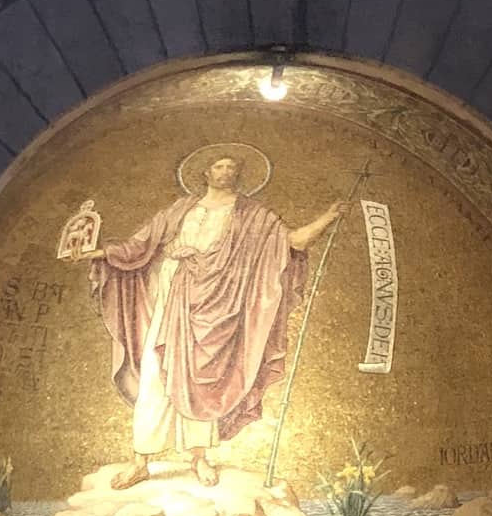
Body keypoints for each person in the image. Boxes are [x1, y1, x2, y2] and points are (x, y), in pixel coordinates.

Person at [67, 146, 343, 488]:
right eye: (219, 165)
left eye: (232, 166)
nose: (225, 171)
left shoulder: (253, 217)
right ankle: (141, 460)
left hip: (216, 310)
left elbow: (292, 241)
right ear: (206, 173)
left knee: (203, 381)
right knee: (155, 374)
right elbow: (138, 246)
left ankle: (199, 458)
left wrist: (327, 218)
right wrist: (94, 253)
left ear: (239, 175)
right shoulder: (180, 210)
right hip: (171, 301)